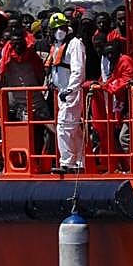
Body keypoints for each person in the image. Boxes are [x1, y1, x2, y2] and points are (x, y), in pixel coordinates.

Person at [47, 13, 86, 173]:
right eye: (56, 28)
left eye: (62, 27)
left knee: (64, 126)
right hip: (61, 92)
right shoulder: (57, 45)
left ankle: (67, 163)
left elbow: (78, 70)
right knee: (73, 129)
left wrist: (71, 89)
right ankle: (79, 162)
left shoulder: (75, 44)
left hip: (71, 92)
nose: (59, 31)